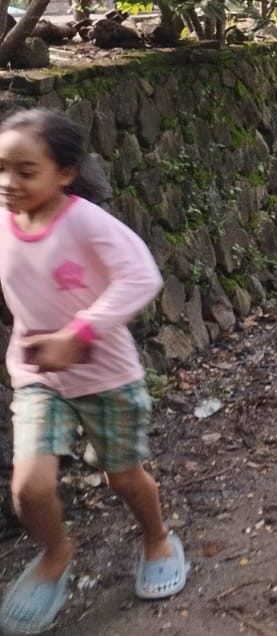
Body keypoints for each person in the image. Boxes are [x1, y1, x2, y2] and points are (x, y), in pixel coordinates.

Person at [0, 110, 187, 633]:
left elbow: (140, 276)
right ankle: (55, 556)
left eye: (25, 171)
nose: (9, 183)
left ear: (63, 172)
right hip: (39, 377)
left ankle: (157, 539)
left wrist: (78, 333)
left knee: (123, 476)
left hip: (107, 376)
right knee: (30, 489)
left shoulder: (84, 221)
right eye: (1, 168)